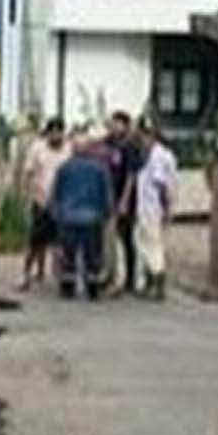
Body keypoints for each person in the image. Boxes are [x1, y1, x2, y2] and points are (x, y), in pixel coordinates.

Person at [48, 132, 114, 300]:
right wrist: (107, 212)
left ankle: (67, 287)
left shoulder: (64, 168)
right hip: (93, 218)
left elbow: (56, 192)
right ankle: (92, 288)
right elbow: (106, 192)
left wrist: (55, 211)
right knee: (92, 254)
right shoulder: (99, 169)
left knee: (68, 254)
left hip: (68, 217)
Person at [18, 119, 66, 289]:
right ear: (48, 133)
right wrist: (29, 195)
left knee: (60, 242)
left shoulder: (68, 150)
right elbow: (28, 174)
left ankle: (61, 276)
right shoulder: (37, 149)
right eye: (52, 132)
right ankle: (26, 274)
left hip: (61, 203)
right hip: (41, 200)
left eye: (59, 132)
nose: (56, 136)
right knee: (35, 241)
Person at [134, 122, 180, 300]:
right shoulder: (151, 155)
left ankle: (157, 283)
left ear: (151, 136)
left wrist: (166, 209)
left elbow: (161, 186)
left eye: (143, 137)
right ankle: (150, 281)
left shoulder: (158, 156)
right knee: (142, 242)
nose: (141, 141)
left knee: (153, 245)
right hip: (146, 208)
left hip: (153, 209)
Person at [104, 109, 146, 295]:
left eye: (116, 124)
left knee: (126, 238)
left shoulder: (129, 147)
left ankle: (129, 278)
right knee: (115, 237)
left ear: (124, 125)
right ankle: (113, 275)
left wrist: (124, 200)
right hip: (111, 195)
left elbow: (131, 175)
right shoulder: (111, 143)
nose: (113, 127)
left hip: (125, 198)